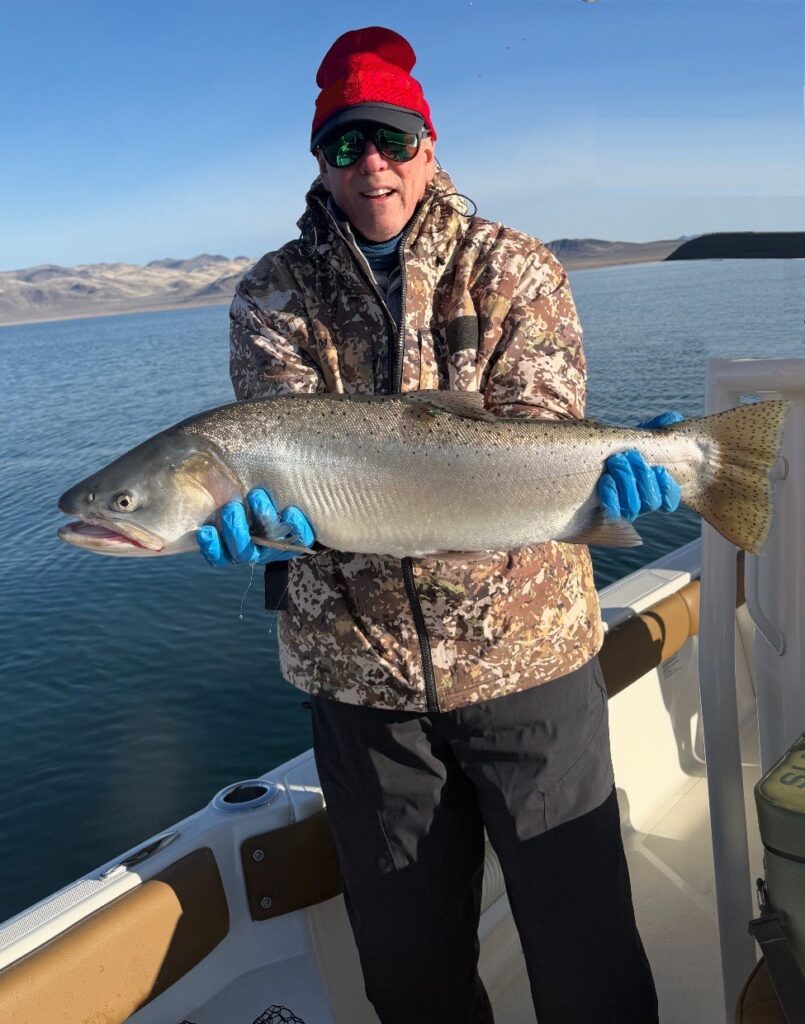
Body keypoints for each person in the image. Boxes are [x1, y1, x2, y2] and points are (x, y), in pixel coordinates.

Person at [198, 26, 681, 1024]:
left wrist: (610, 482)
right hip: (361, 690)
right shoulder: (272, 295)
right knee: (412, 978)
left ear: (426, 141)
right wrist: (258, 523)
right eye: (344, 144)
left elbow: (541, 431)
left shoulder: (514, 267)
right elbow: (284, 475)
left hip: (529, 663)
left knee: (587, 956)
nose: (370, 162)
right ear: (320, 159)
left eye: (389, 137)